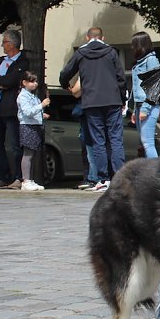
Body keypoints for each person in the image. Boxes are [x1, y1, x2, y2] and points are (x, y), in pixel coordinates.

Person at [59, 26, 127, 193]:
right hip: (112, 101)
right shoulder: (111, 52)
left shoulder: (81, 54)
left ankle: (102, 178)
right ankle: (119, 178)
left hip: (91, 102)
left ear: (86, 38)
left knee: (98, 141)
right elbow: (121, 77)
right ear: (102, 37)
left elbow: (65, 72)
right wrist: (122, 99)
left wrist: (66, 85)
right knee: (115, 139)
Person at [0, 29, 30, 189]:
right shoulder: (0, 61)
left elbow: (11, 81)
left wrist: (2, 83)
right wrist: (0, 84)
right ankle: (4, 176)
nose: (2, 45)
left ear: (11, 44)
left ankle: (18, 177)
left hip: (10, 109)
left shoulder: (22, 63)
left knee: (15, 146)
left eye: (4, 42)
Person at [16, 72, 50, 192]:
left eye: (36, 81)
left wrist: (42, 114)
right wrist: (41, 105)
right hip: (28, 127)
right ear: (24, 82)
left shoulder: (32, 95)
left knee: (33, 154)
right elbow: (27, 112)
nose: (35, 84)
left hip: (35, 125)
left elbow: (33, 111)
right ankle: (26, 181)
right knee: (28, 154)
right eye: (32, 81)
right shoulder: (23, 96)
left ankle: (30, 179)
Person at [130, 32, 160, 159]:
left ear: (140, 45)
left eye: (134, 45)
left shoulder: (151, 60)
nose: (132, 48)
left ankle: (154, 174)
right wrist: (135, 110)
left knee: (148, 143)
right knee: (145, 143)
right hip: (140, 106)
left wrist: (145, 109)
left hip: (148, 106)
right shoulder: (139, 62)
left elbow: (155, 87)